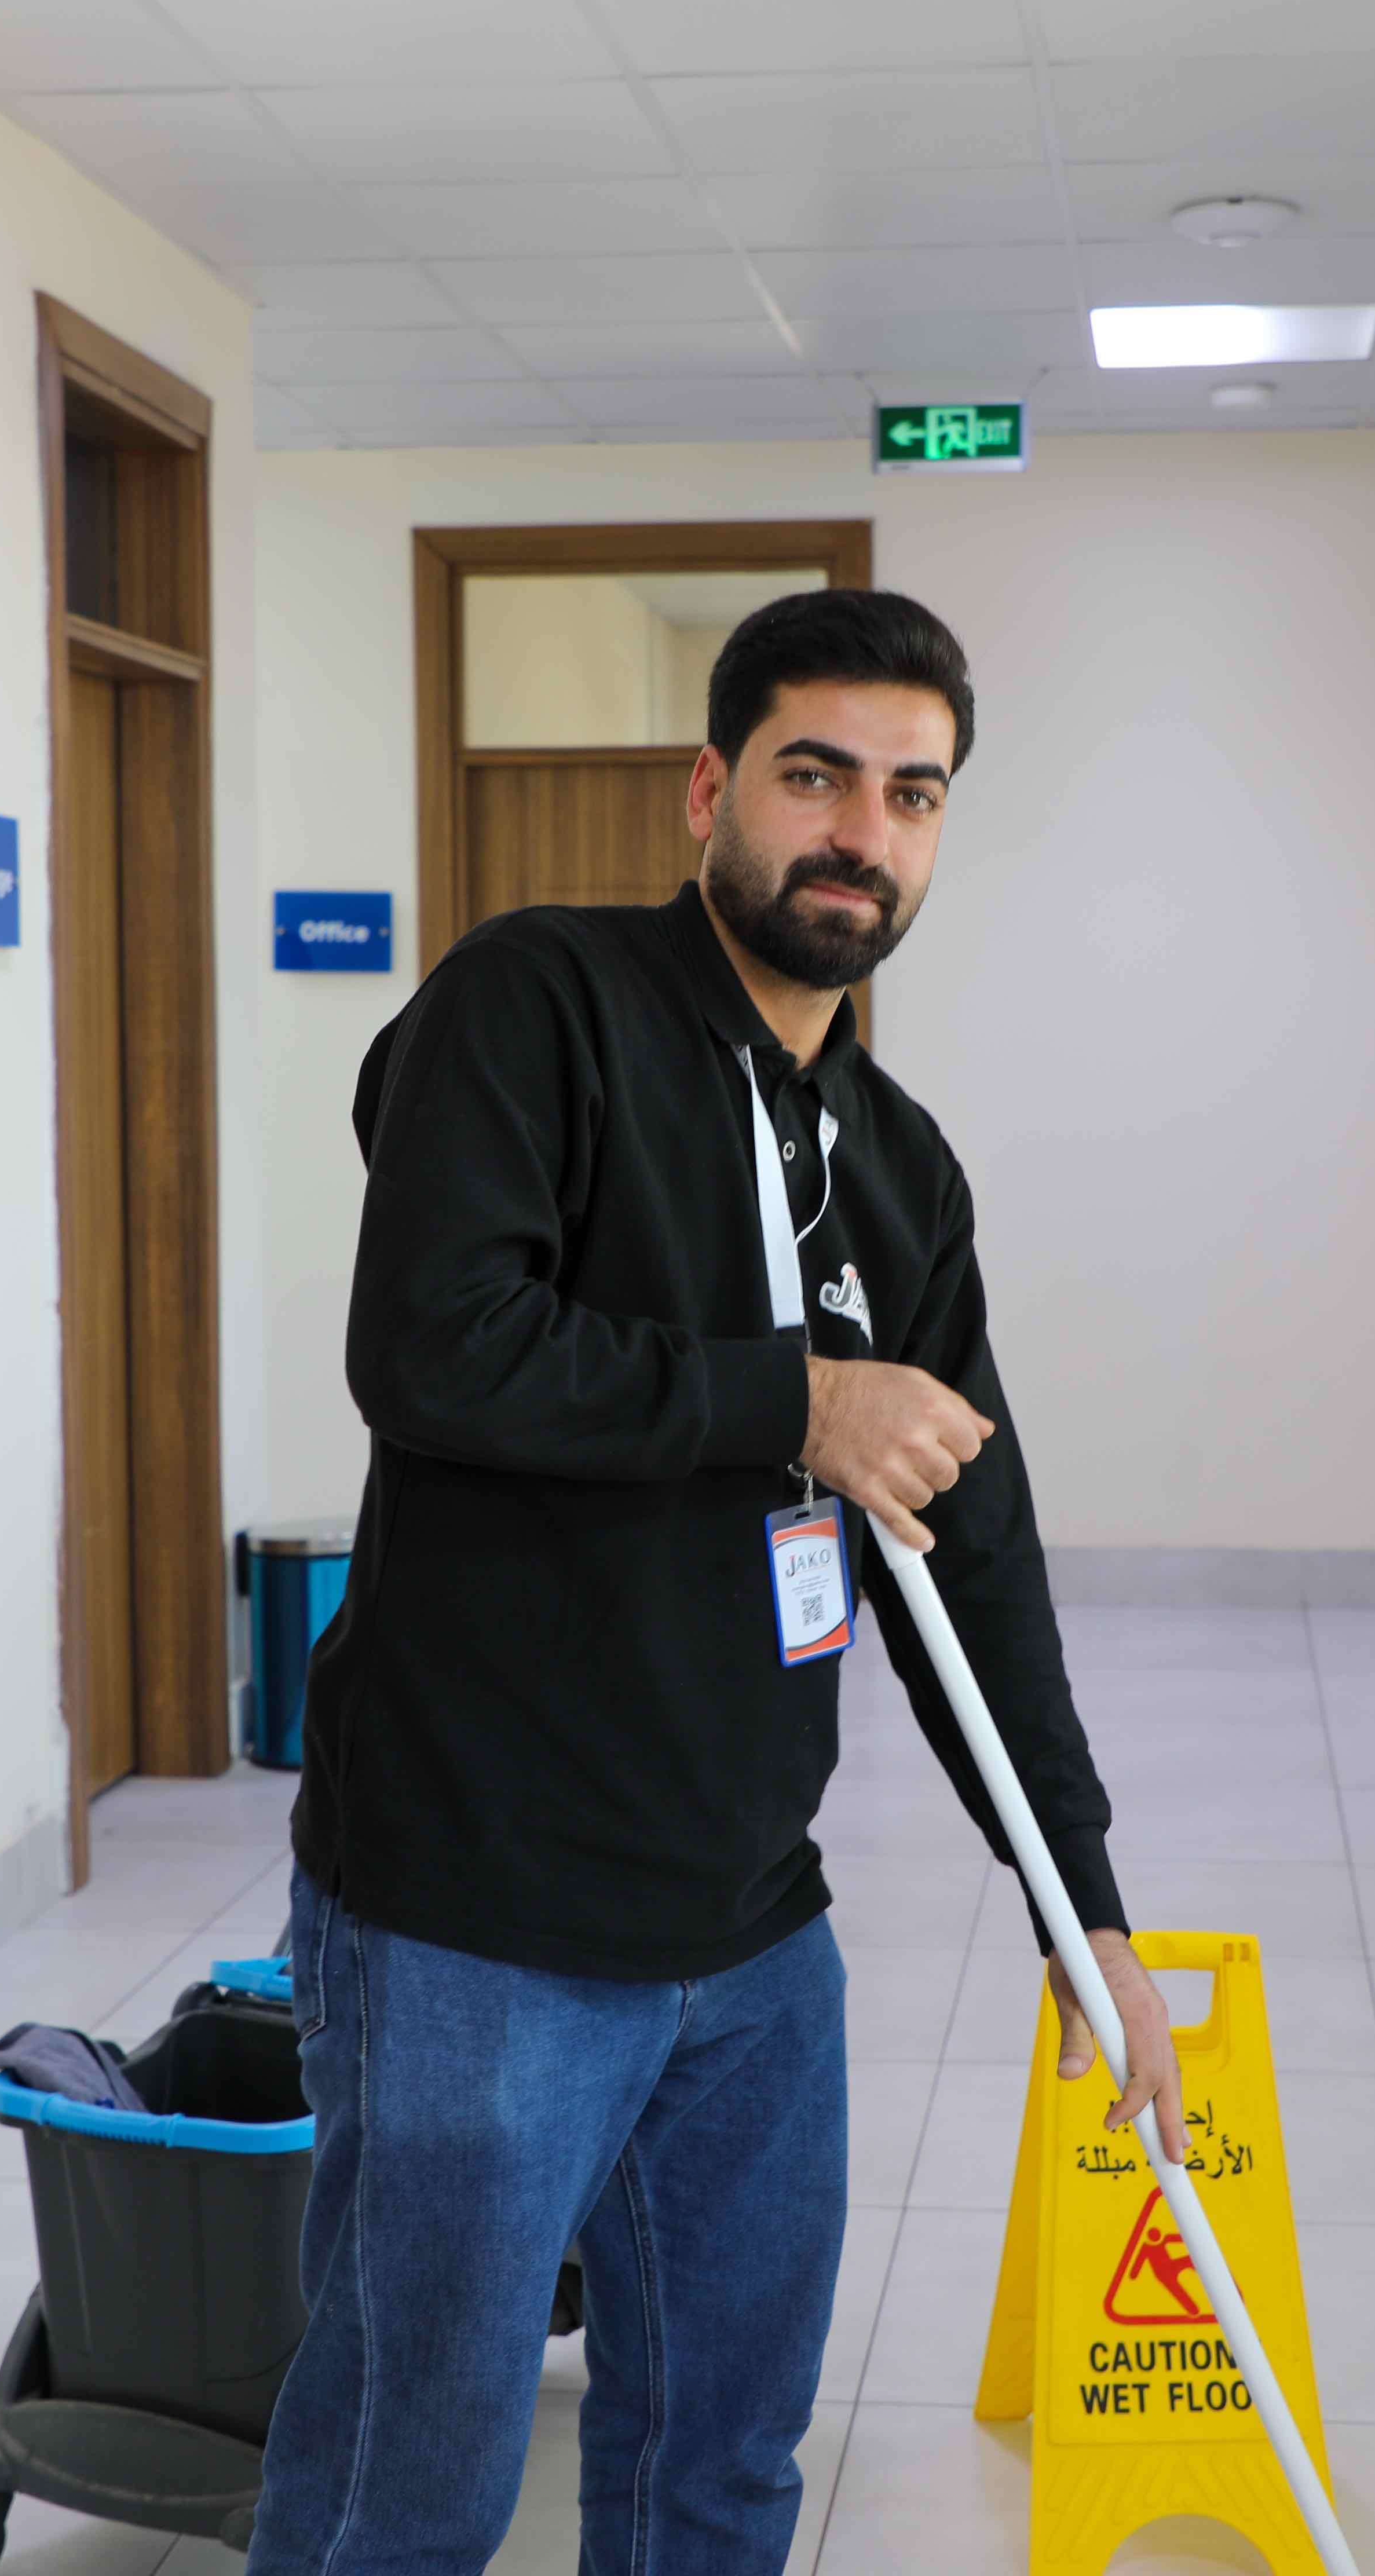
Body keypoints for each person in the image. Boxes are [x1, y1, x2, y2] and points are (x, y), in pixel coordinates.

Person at [253, 588, 1182, 2575]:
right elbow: (432, 1348)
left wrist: (1079, 1909)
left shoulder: (897, 1164)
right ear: (710, 791)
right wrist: (795, 1405)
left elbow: (974, 1550)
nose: (863, 829)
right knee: (405, 2478)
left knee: (721, 2466)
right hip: (471, 1923)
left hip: (756, 1942)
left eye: (912, 794)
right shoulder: (539, 1008)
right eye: (816, 774)